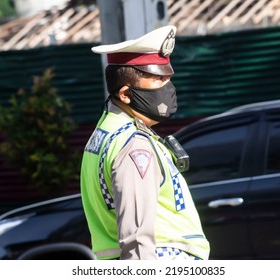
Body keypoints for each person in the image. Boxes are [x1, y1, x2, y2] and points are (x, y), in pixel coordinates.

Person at [80, 25, 210, 260]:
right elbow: (137, 240)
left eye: (168, 78)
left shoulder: (106, 132)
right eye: (158, 80)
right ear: (126, 94)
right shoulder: (134, 145)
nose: (168, 88)